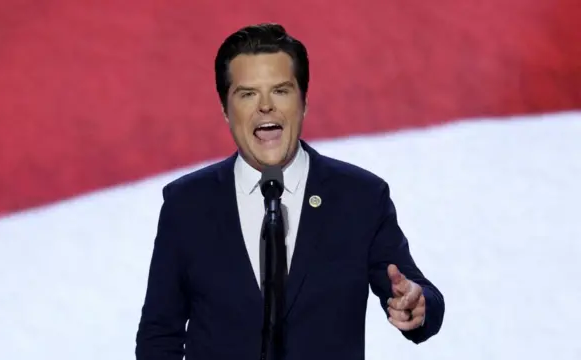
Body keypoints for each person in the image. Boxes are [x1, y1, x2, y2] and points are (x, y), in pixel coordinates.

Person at [135, 23, 444, 360]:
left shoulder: (360, 198)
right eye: (248, 94)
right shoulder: (187, 204)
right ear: (225, 109)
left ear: (304, 102)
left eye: (280, 90)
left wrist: (417, 306)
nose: (265, 106)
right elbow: (158, 336)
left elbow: (415, 291)